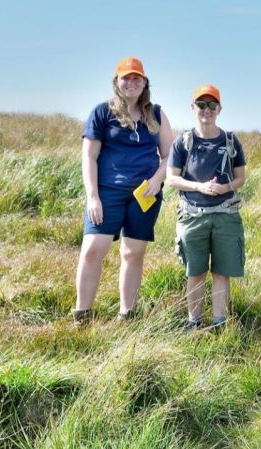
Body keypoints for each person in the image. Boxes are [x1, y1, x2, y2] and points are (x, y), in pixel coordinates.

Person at [74, 56, 173, 324]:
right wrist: (93, 196)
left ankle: (127, 313)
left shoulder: (156, 114)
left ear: (144, 83)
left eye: (136, 78)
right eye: (125, 78)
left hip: (145, 195)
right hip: (107, 192)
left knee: (133, 253)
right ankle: (82, 313)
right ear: (117, 82)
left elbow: (169, 156)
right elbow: (89, 157)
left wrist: (156, 180)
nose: (131, 83)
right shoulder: (102, 112)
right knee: (93, 249)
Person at [166, 84, 247, 331]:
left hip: (225, 214)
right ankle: (194, 322)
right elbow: (171, 178)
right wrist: (200, 187)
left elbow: (241, 177)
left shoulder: (231, 141)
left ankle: (219, 323)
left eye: (212, 105)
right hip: (193, 216)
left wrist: (225, 188)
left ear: (219, 109)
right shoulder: (183, 141)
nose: (207, 110)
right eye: (202, 104)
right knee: (195, 271)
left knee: (222, 272)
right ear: (193, 108)